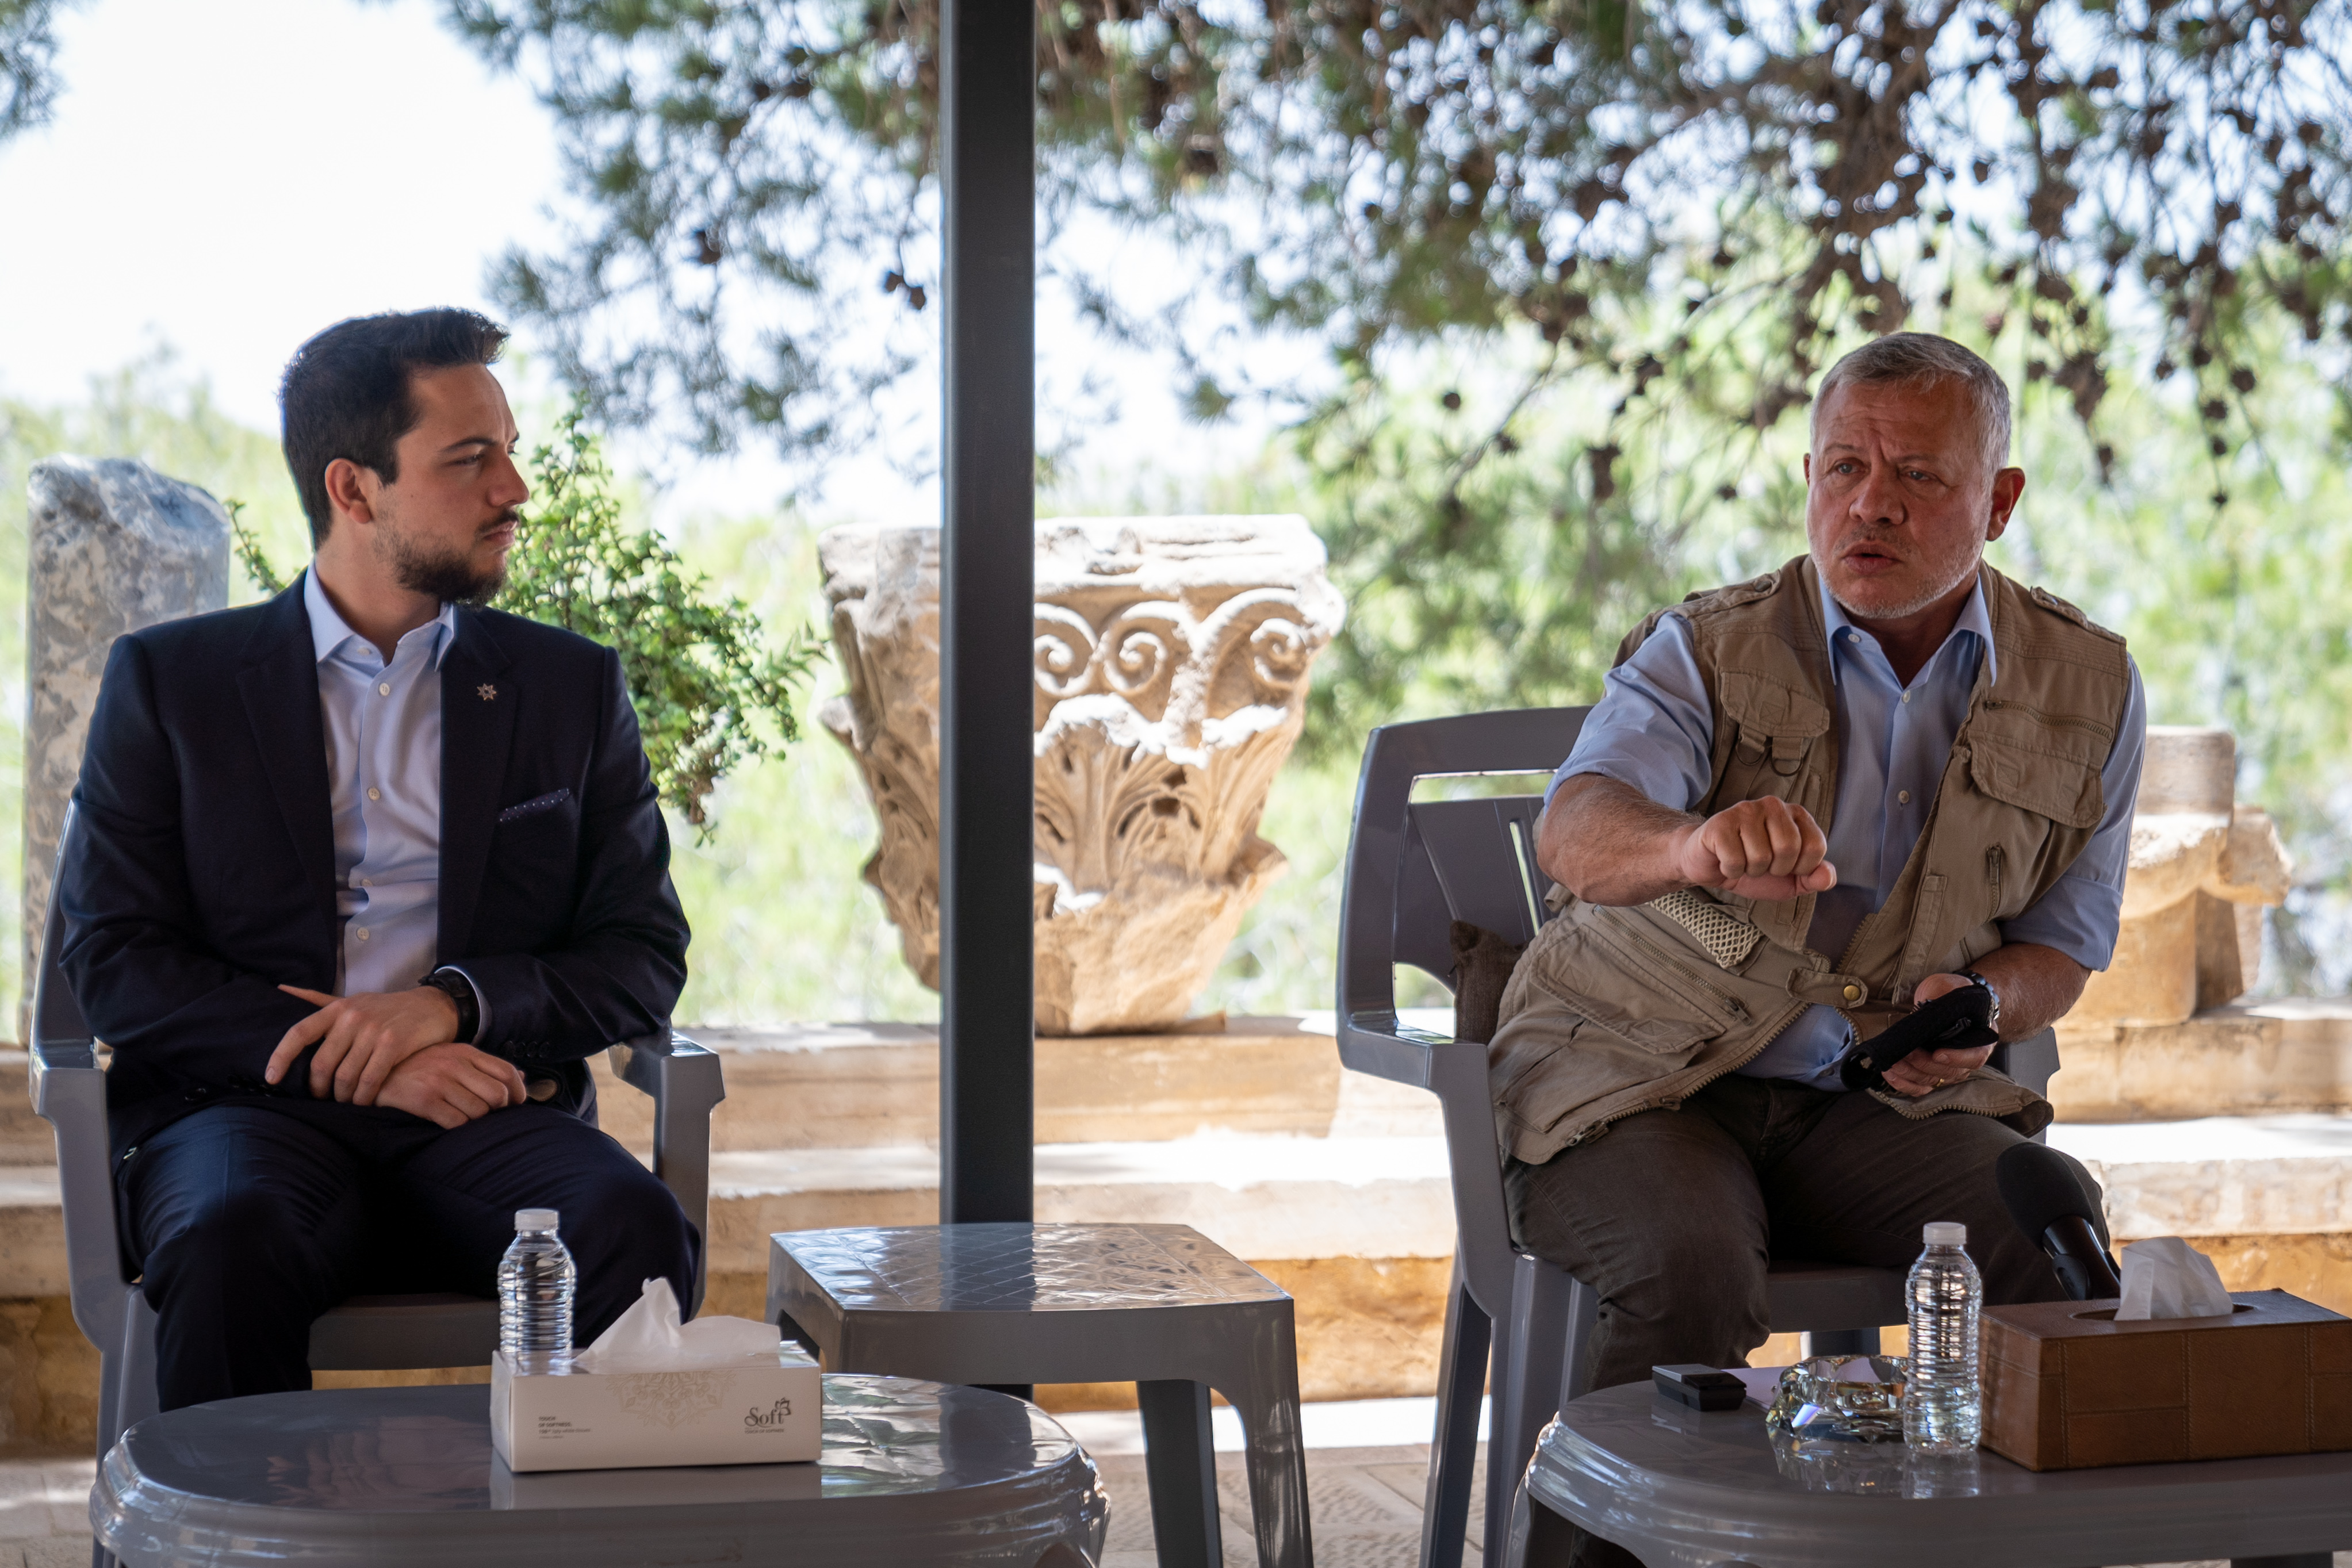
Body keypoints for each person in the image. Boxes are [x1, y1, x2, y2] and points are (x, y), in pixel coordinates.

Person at [1492, 333, 2142, 1558]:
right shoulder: (1703, 647)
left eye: (1916, 475)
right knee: (1688, 1265)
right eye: (1843, 467)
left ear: (1997, 501)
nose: (1870, 504)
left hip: (1872, 1107)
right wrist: (1690, 845)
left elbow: (2061, 947)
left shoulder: (2088, 686)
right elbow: (1574, 831)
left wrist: (1980, 1006)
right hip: (1639, 1078)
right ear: (1808, 478)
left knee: (2048, 1246)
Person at [60, 308, 696, 1411]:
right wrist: (363, 1057)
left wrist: (448, 1008)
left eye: (509, 451)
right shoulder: (172, 684)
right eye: (470, 458)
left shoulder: (569, 689)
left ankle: (580, 1510)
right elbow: (114, 958)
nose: (514, 489)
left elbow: (641, 952)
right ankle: (237, 1515)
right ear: (353, 489)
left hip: (491, 1109)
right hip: (243, 1112)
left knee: (629, 1227)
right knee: (226, 1238)